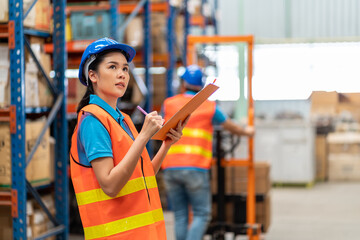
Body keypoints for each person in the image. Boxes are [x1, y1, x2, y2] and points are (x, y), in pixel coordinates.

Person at [69, 37, 188, 240]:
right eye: (112, 67)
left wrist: (166, 145)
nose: (122, 74)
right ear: (93, 75)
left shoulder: (121, 119)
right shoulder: (93, 121)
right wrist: (143, 137)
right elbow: (110, 185)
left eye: (125, 68)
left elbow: (142, 174)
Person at [161, 65, 255, 240]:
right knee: (202, 214)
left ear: (183, 84)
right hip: (196, 168)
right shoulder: (209, 107)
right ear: (201, 85)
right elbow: (231, 126)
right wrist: (247, 132)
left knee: (181, 215)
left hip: (170, 167)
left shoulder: (169, 103)